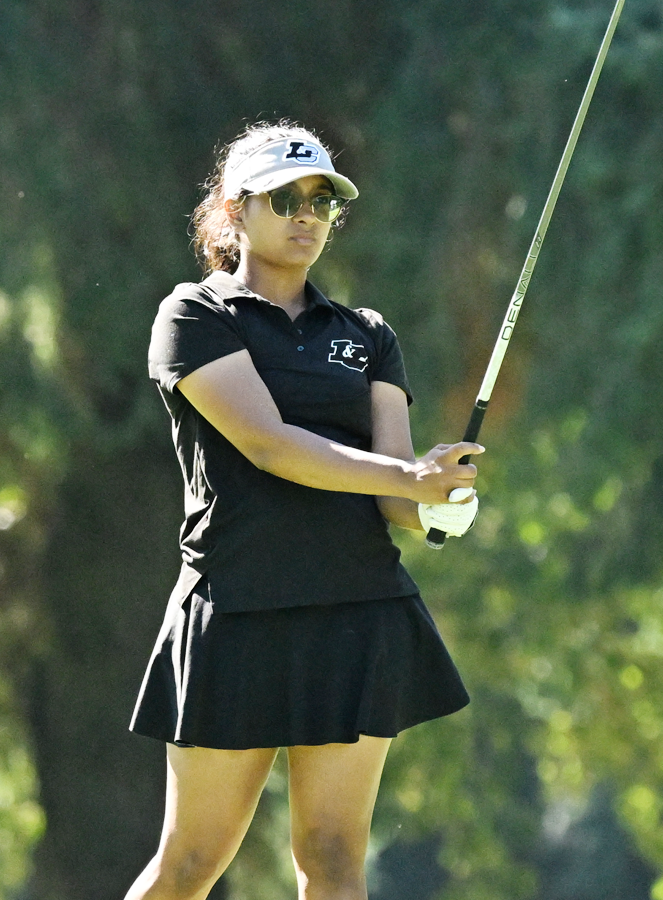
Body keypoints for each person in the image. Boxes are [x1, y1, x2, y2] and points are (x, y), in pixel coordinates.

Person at [125, 120, 484, 900]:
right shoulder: (195, 317)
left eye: (323, 201)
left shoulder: (367, 336)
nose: (306, 215)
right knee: (190, 863)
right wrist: (406, 476)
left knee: (332, 858)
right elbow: (268, 446)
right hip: (238, 610)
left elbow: (396, 494)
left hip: (357, 612)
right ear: (236, 208)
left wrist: (439, 500)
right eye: (285, 197)